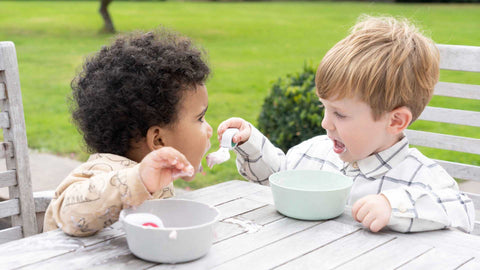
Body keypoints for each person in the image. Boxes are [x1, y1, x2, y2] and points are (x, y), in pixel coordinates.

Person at [218, 16, 475, 233]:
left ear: (395, 121)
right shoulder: (315, 153)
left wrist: (392, 206)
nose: (325, 122)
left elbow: (462, 211)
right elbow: (277, 178)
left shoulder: (420, 177)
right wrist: (250, 144)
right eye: (324, 108)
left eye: (340, 114)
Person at [43, 29, 213, 236]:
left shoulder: (159, 180)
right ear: (158, 140)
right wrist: (137, 180)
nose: (209, 129)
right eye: (200, 118)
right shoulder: (105, 171)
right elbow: (69, 213)